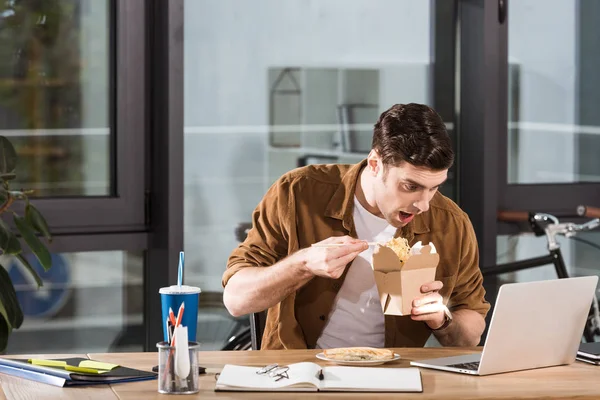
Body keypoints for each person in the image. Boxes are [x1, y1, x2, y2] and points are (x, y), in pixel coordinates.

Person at [222, 103, 490, 350]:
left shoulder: (451, 223)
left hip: (395, 376)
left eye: (434, 188)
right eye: (411, 186)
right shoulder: (297, 193)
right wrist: (303, 264)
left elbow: (471, 332)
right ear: (375, 164)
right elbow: (236, 300)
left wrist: (442, 319)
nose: (423, 205)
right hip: (299, 374)